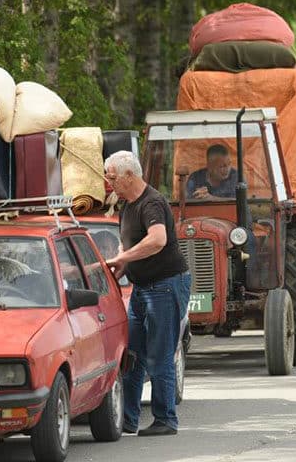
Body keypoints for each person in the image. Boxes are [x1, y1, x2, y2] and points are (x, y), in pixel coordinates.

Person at [104, 150, 191, 437]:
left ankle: (166, 419)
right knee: (133, 354)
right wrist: (122, 263)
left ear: (130, 175)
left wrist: (125, 256)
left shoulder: (151, 203)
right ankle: (127, 420)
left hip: (164, 286)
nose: (109, 182)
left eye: (113, 177)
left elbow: (157, 240)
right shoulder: (126, 205)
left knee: (159, 355)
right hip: (142, 289)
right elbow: (124, 243)